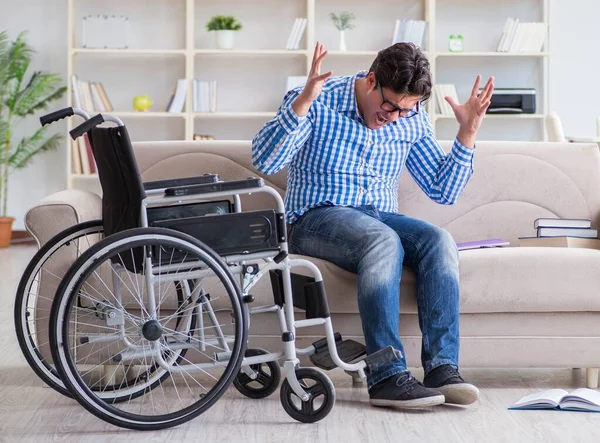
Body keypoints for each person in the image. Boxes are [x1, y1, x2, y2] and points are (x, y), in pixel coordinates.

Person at [251, 41, 494, 409]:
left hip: (379, 216)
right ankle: (386, 377)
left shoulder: (410, 119)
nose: (394, 116)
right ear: (371, 80)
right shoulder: (319, 98)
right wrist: (302, 103)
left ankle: (443, 369)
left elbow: (442, 190)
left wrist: (467, 132)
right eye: (389, 105)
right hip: (316, 217)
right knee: (383, 241)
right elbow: (265, 160)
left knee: (439, 240)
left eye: (404, 110)